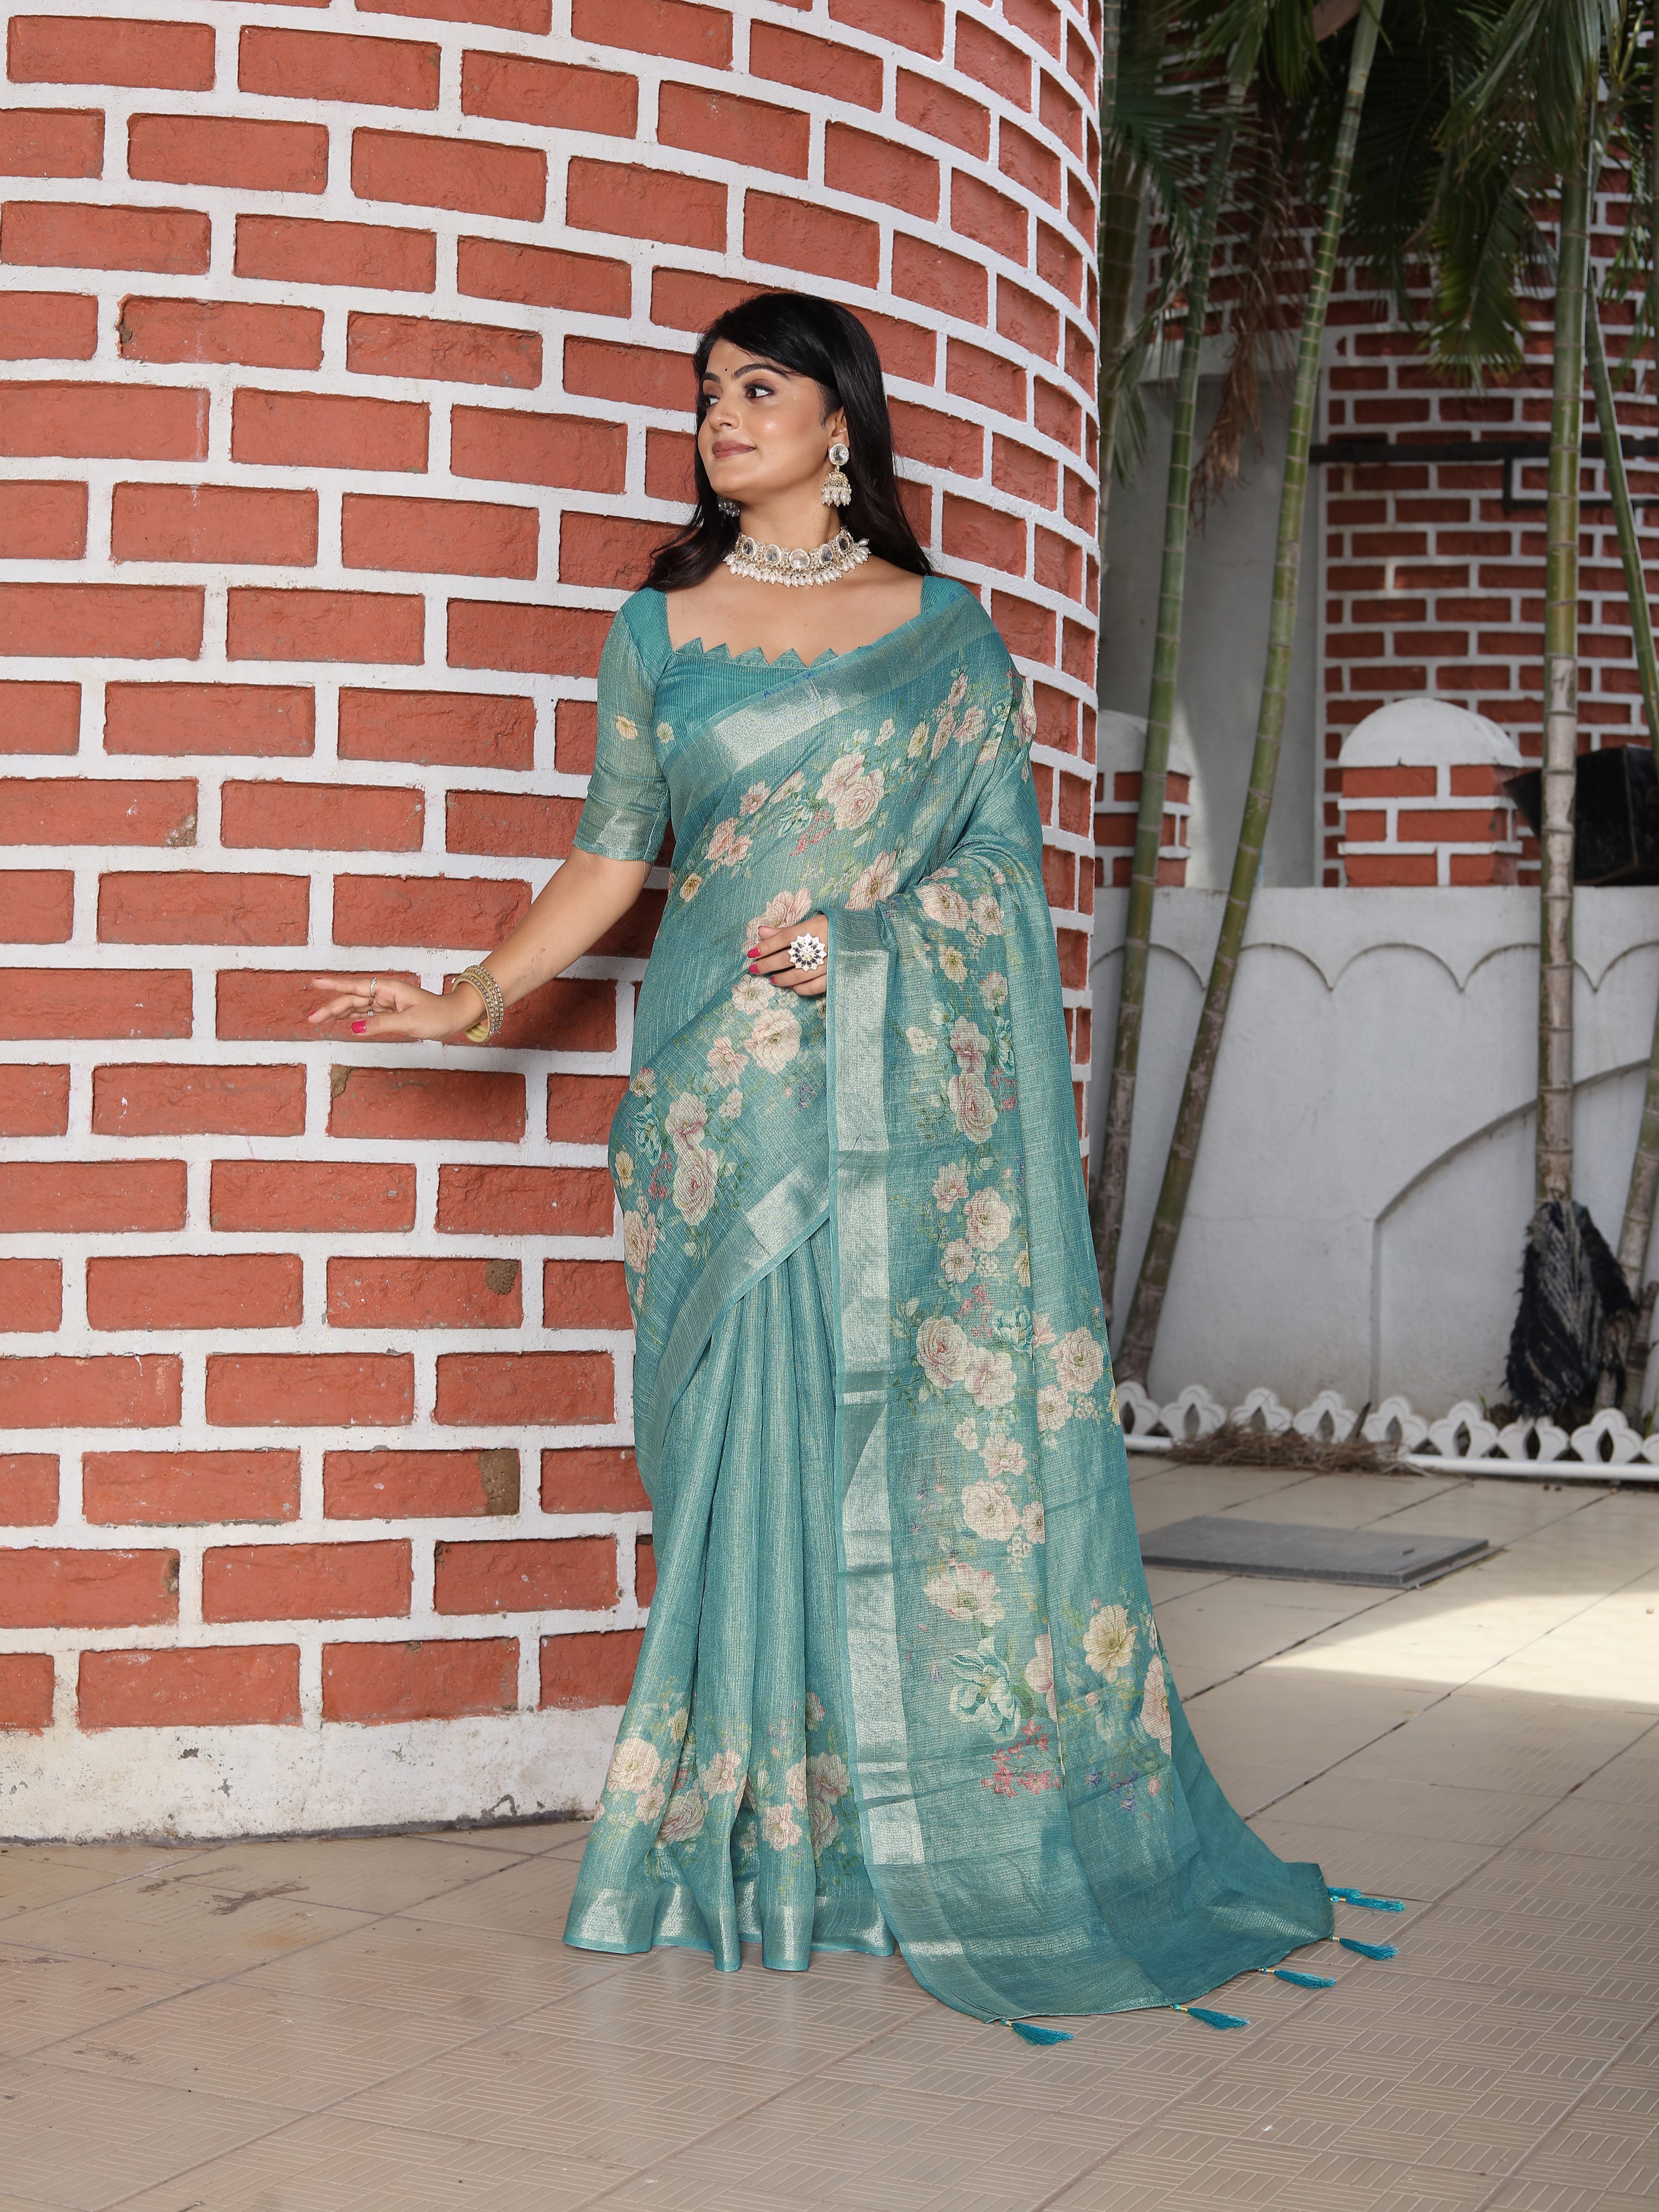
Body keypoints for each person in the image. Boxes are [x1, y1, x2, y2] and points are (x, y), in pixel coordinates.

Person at [309, 290, 1335, 2035]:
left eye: (758, 388)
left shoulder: (945, 638)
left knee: (873, 1432)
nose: (721, 415)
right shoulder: (660, 630)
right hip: (710, 1109)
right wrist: (471, 994)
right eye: (708, 392)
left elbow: (998, 883)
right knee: (729, 1450)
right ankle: (749, 1830)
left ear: (838, 420)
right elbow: (612, 857)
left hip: (880, 1105)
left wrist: (865, 946)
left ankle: (886, 1834)